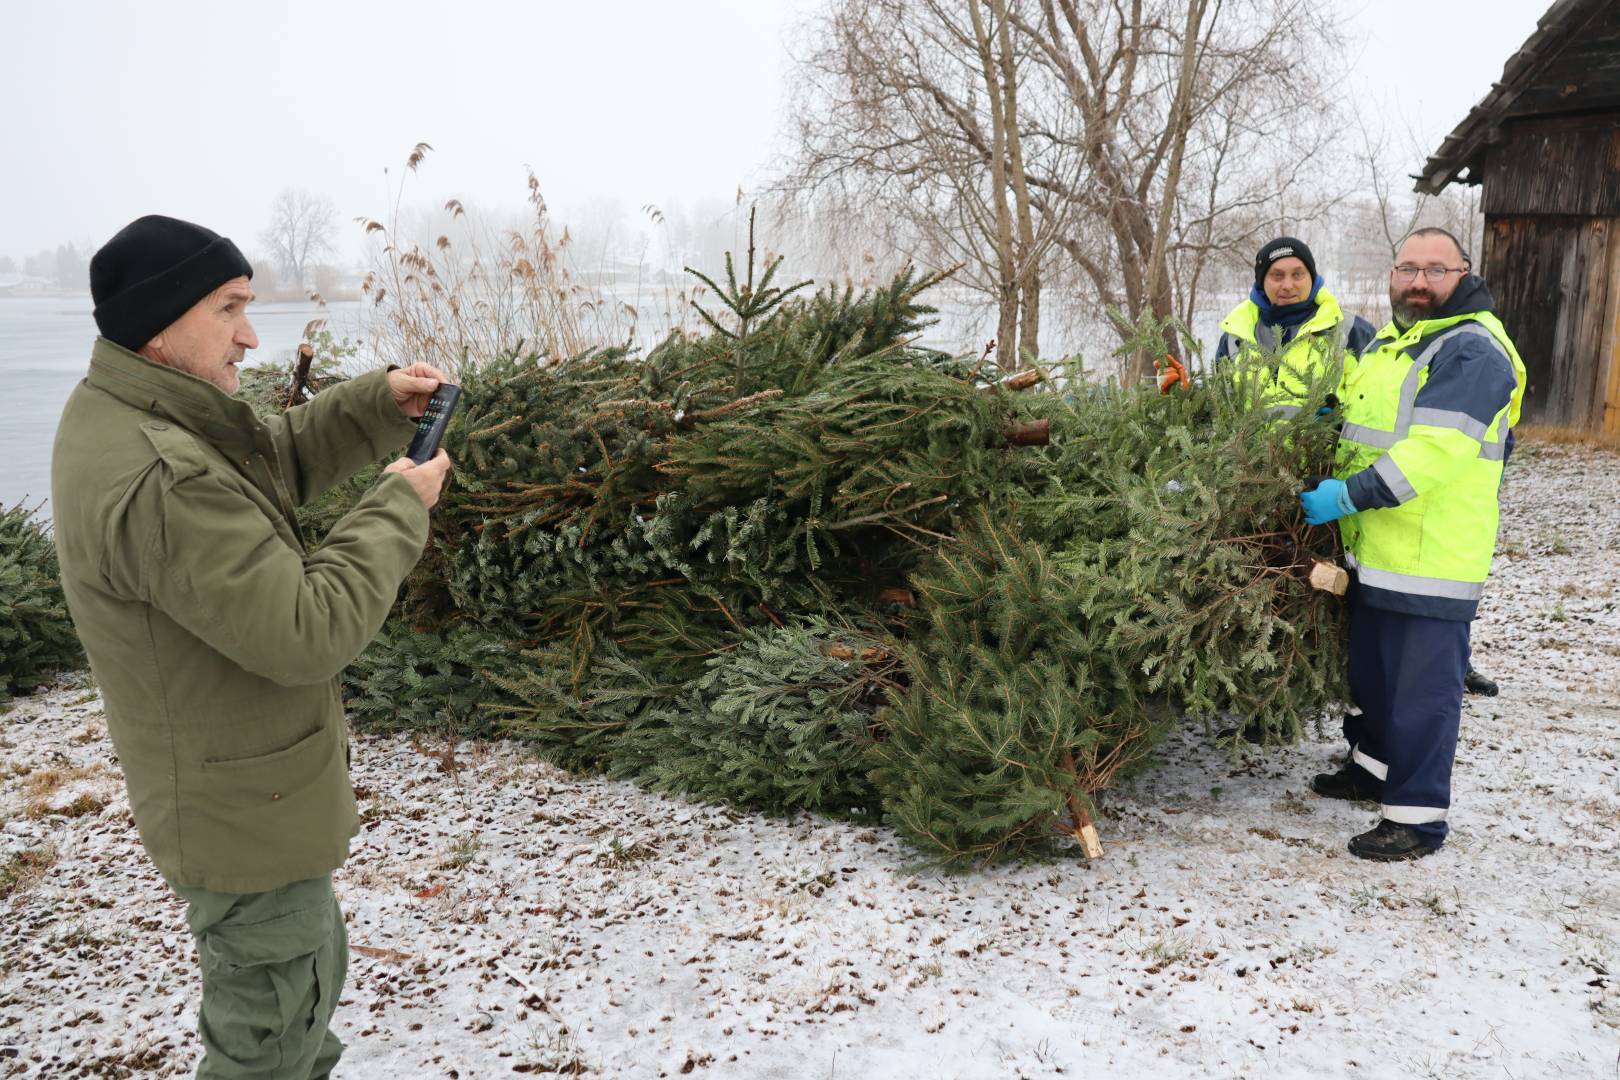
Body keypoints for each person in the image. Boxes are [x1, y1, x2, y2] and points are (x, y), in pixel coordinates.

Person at [50, 214, 453, 1077]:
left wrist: (372, 407)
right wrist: (398, 504)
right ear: (161, 321)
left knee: (296, 1006)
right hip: (242, 816)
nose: (248, 333)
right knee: (268, 1039)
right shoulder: (160, 473)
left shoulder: (136, 410)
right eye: (229, 307)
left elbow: (257, 466)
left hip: (246, 801)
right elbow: (306, 631)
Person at [1298, 226, 1524, 862]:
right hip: (1377, 551)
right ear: (1392, 274)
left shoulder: (1472, 350)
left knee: (1421, 694)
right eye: (1407, 269)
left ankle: (1416, 819)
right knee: (1370, 677)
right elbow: (1366, 418)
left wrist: (1348, 495)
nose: (1418, 281)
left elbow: (1434, 453)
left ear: (1463, 274)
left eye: (1435, 270)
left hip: (1430, 558)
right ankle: (1371, 772)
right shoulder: (1396, 342)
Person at [1213, 236, 1376, 414]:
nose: (1288, 285)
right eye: (1277, 276)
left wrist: (1337, 426)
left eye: (1298, 274)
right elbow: (1221, 411)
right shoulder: (1235, 337)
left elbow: (1372, 408)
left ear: (1311, 278)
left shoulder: (1352, 332)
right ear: (1262, 281)